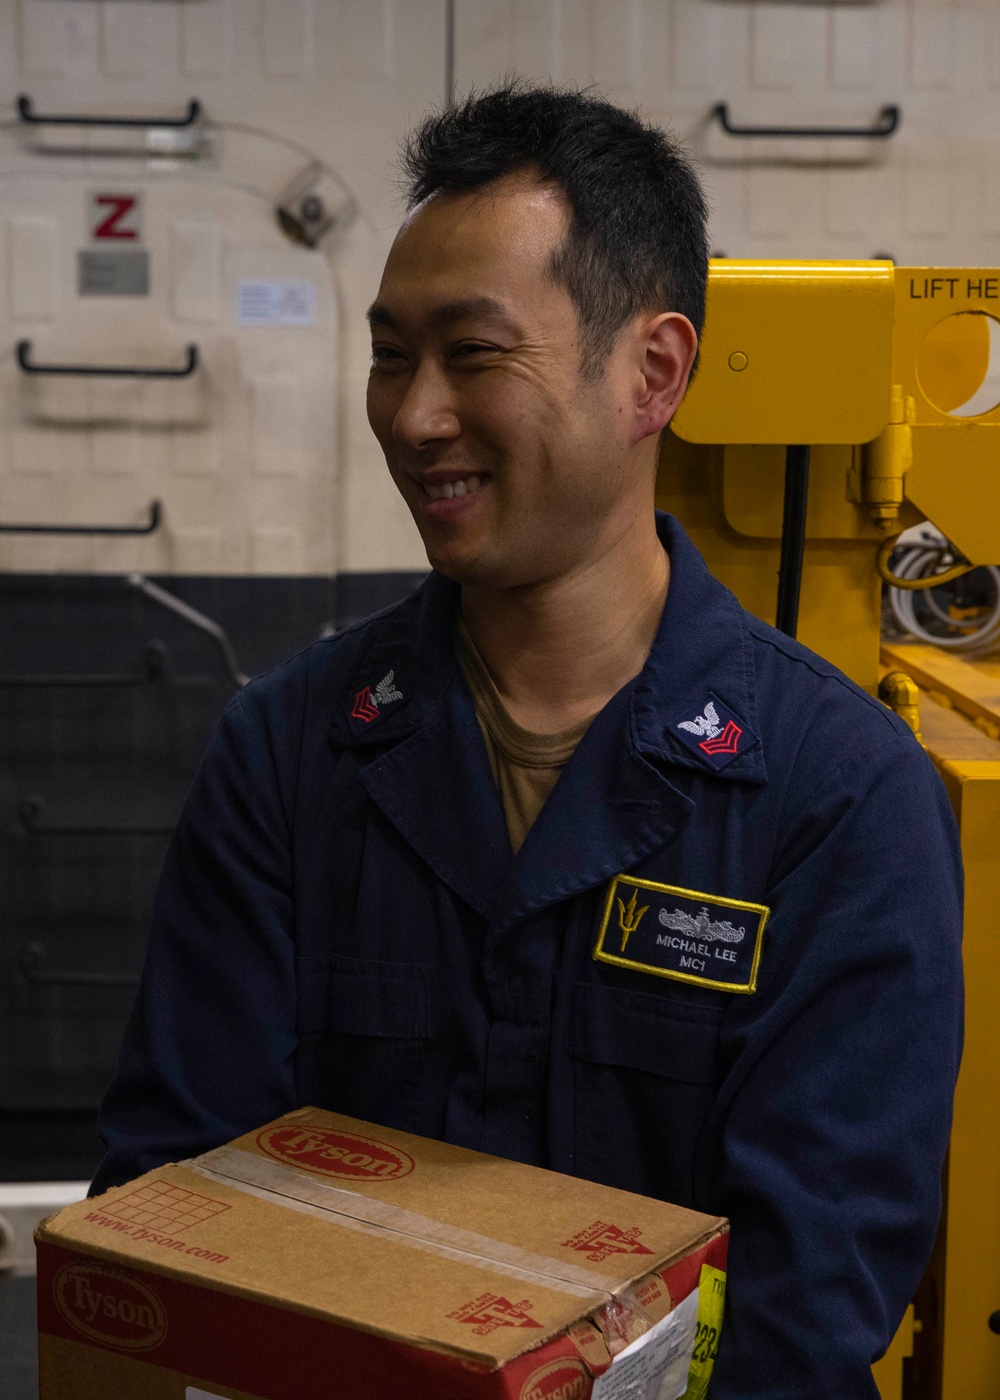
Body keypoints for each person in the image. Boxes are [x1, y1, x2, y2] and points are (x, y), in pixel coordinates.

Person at [92, 84, 963, 1397]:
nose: (413, 414)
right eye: (392, 353)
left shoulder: (834, 798)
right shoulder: (290, 755)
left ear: (652, 372)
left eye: (474, 352)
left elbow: (810, 1295)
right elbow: (176, 1193)